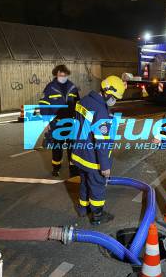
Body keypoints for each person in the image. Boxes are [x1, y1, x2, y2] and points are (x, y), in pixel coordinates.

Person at [71, 75, 126, 225]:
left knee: (84, 183)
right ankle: (97, 216)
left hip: (79, 153)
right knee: (97, 187)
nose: (115, 101)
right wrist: (105, 166)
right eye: (114, 97)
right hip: (92, 160)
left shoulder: (84, 101)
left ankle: (83, 209)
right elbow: (101, 143)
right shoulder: (101, 111)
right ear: (107, 93)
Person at [38, 64, 80, 177]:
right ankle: (56, 167)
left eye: (65, 75)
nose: (63, 76)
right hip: (57, 122)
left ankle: (73, 168)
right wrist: (45, 121)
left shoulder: (72, 87)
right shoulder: (50, 88)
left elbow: (78, 104)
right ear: (56, 74)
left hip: (71, 121)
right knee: (57, 147)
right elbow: (43, 104)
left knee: (72, 147)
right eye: (61, 75)